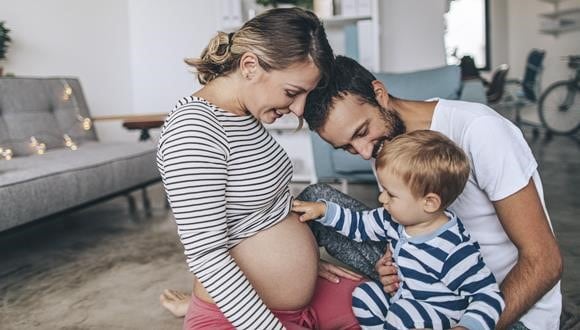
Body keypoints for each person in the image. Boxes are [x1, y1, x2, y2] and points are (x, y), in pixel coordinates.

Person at [300, 55, 562, 330]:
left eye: (362, 131)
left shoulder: (479, 130)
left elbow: (545, 261)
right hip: (431, 294)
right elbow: (405, 224)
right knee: (316, 200)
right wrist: (391, 264)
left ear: (379, 94)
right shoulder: (384, 147)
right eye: (348, 147)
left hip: (503, 307)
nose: (364, 152)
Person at [157, 8, 362, 329]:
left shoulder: (243, 113)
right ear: (250, 66)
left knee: (395, 309)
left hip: (299, 299)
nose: (298, 109)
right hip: (243, 318)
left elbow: (258, 216)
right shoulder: (194, 130)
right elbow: (207, 256)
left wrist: (302, 266)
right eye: (292, 92)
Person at [293, 130, 505, 330]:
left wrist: (466, 327)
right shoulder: (391, 219)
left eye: (390, 194)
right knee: (364, 295)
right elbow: (359, 224)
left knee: (404, 313)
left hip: (439, 317)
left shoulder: (452, 249)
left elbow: (488, 294)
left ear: (429, 203)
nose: (381, 199)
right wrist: (323, 210)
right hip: (402, 300)